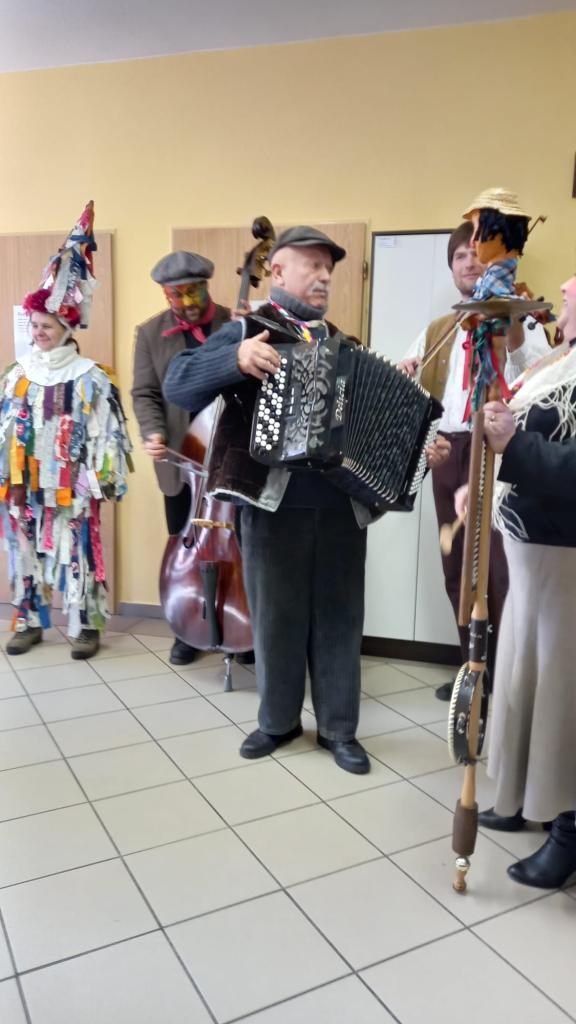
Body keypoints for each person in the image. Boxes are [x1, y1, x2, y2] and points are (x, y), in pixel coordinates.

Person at [163, 225, 450, 774]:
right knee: (275, 619)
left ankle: (339, 729)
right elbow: (178, 384)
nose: (323, 277)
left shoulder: (346, 346)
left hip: (342, 507)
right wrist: (235, 358)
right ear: (278, 270)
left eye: (329, 269)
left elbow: (375, 431)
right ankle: (277, 722)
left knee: (341, 620)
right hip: (271, 505)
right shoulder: (248, 330)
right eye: (312, 265)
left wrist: (420, 450)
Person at [454, 272, 576, 888]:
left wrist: (514, 448)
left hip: (566, 563)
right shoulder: (560, 361)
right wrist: (479, 482)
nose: (565, 290)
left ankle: (570, 830)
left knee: (562, 694)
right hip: (534, 557)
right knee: (529, 679)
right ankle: (532, 800)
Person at [400, 217, 549, 700]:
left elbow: (542, 382)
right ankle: (472, 671)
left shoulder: (521, 316)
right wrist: (406, 376)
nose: (469, 262)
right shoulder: (438, 330)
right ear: (452, 269)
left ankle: (503, 684)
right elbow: (412, 392)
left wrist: (513, 326)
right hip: (449, 451)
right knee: (456, 568)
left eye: (476, 253)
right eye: (460, 256)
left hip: (501, 452)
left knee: (500, 570)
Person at [0, 202, 132, 660]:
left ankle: (86, 626)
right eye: (34, 325)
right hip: (26, 484)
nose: (38, 332)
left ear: (65, 327)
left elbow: (107, 435)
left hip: (73, 485)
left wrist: (100, 476)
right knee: (25, 548)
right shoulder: (16, 373)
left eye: (46, 326)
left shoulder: (92, 377)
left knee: (79, 552)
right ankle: (28, 622)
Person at [132, 251, 230, 665]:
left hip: (229, 458)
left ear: (207, 286)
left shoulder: (235, 323)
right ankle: (187, 628)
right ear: (165, 294)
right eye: (177, 295)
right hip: (180, 463)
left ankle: (240, 627)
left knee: (238, 545)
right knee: (183, 545)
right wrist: (153, 431)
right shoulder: (149, 333)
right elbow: (145, 393)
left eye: (195, 292)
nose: (188, 303)